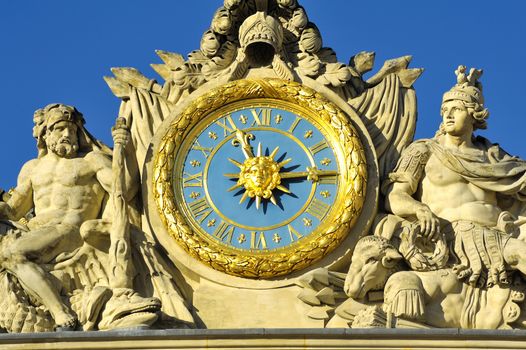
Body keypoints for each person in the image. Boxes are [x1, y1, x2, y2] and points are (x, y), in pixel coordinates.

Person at [384, 66, 526, 287]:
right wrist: (420, 209)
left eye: (456, 109)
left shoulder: (493, 156)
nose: (448, 114)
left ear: (473, 114)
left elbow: (520, 179)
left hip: (495, 236)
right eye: (444, 109)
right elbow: (394, 197)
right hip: (446, 238)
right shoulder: (424, 150)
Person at [0, 103, 130, 329]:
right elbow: (13, 210)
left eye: (73, 130)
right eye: (60, 129)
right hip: (36, 233)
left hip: (70, 231)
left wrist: (121, 149)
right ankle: (55, 295)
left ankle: (59, 312)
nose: (68, 134)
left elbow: (124, 189)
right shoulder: (32, 168)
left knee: (12, 253)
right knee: (10, 253)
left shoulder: (91, 161)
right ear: (46, 133)